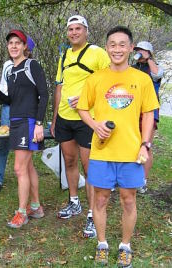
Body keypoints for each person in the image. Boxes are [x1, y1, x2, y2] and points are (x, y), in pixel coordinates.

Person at [77, 26, 159, 267]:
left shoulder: (141, 79)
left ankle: (125, 246)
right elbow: (82, 108)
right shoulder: (96, 78)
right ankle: (102, 244)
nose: (117, 49)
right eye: (112, 44)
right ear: (107, 47)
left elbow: (148, 114)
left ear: (131, 48)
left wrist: (145, 144)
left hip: (131, 151)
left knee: (128, 200)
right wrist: (95, 124)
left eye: (122, 44)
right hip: (102, 151)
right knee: (100, 199)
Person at [50, 15, 110, 238]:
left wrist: (89, 99)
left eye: (78, 29)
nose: (74, 33)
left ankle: (93, 215)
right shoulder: (64, 55)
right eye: (70, 29)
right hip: (65, 118)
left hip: (88, 119)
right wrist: (55, 118)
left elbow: (110, 82)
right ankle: (73, 202)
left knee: (89, 167)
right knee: (69, 160)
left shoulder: (98, 53)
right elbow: (59, 87)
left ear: (86, 31)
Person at [0, 29, 48, 228]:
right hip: (16, 121)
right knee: (27, 166)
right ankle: (36, 206)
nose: (14, 46)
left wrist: (39, 124)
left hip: (29, 122)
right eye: (11, 43)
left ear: (25, 46)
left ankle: (22, 212)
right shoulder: (10, 71)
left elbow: (44, 95)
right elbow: (12, 100)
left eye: (18, 42)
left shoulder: (32, 65)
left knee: (19, 168)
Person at [0, 36, 35, 194]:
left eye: (27, 49)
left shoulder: (32, 67)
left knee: (24, 148)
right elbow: (3, 86)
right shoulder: (7, 65)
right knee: (4, 143)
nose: (25, 51)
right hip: (8, 108)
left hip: (25, 112)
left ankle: (23, 178)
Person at [132, 41, 164, 194]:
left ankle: (142, 181)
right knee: (131, 144)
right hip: (133, 111)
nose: (139, 52)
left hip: (150, 111)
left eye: (143, 50)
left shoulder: (154, 67)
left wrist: (148, 58)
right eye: (138, 50)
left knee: (146, 145)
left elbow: (157, 75)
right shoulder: (132, 67)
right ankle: (129, 177)